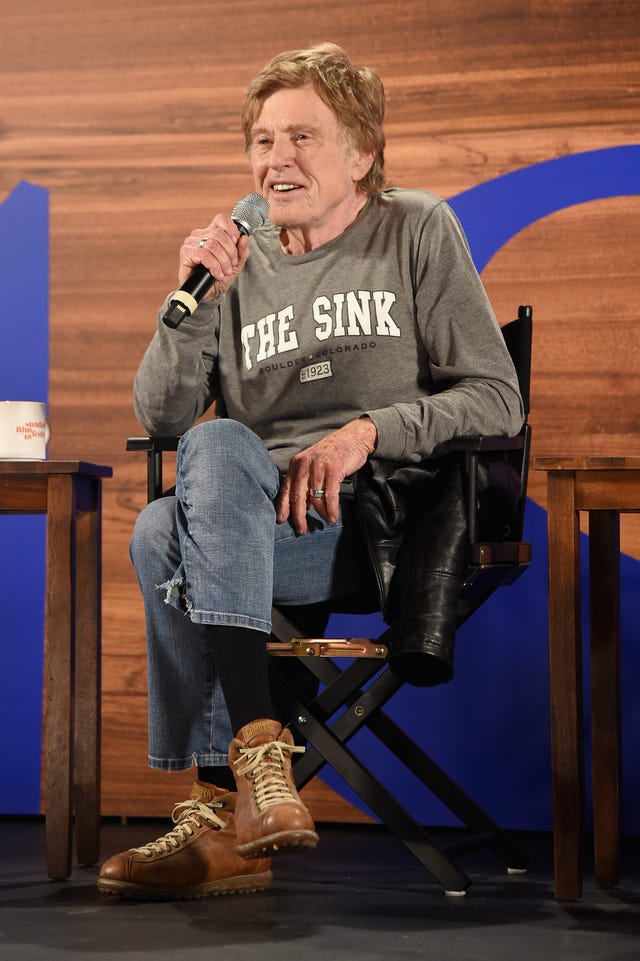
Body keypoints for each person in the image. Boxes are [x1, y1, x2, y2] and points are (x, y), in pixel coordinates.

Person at [98, 42, 523, 900]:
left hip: (371, 528)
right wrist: (191, 310)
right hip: (246, 524)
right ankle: (255, 777)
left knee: (168, 519)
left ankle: (219, 797)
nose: (275, 159)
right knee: (201, 465)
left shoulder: (414, 227)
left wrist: (370, 429)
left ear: (362, 152)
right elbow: (161, 418)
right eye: (261, 140)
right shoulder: (237, 255)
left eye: (302, 137)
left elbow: (496, 399)